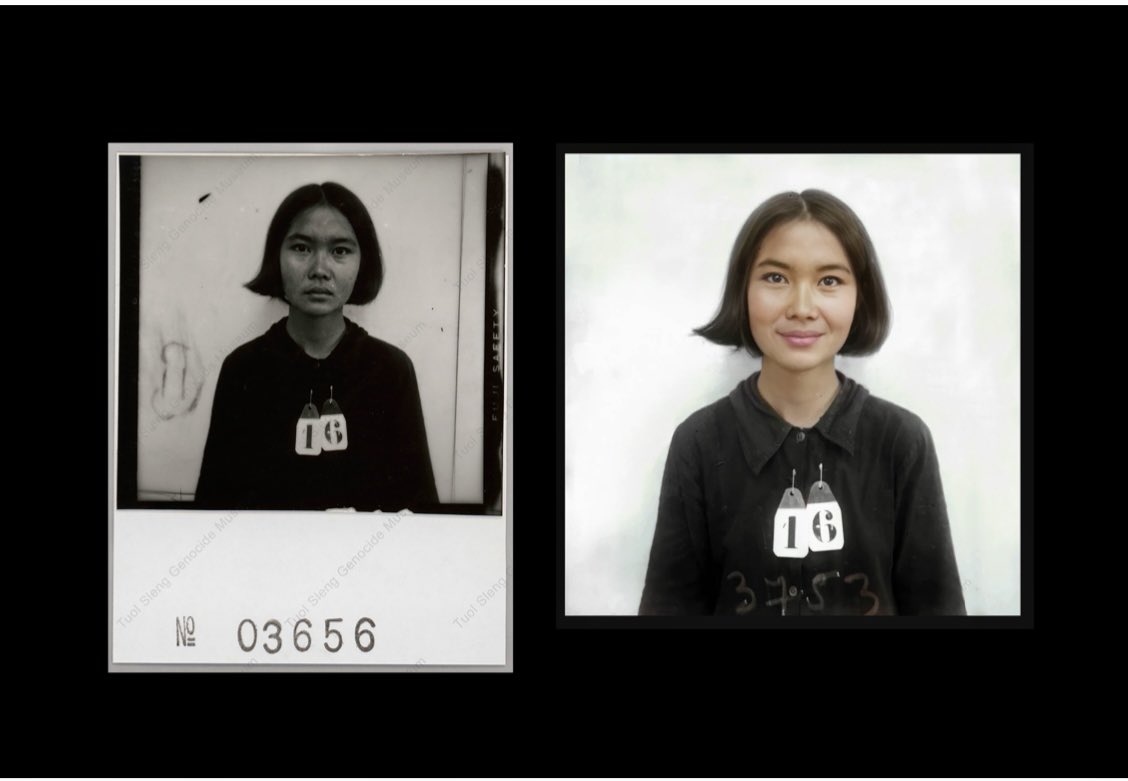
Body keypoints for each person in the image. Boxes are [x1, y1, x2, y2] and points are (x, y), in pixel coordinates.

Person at [639, 189, 965, 616]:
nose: (802, 307)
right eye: (776, 278)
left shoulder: (902, 441)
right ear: (743, 290)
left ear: (859, 296)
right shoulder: (698, 443)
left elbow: (936, 606)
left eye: (829, 280)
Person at [195, 182, 438, 511]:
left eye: (340, 250)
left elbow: (420, 513)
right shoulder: (243, 369)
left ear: (362, 261)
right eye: (301, 248)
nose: (320, 270)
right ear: (276, 257)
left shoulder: (392, 370)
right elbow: (212, 510)